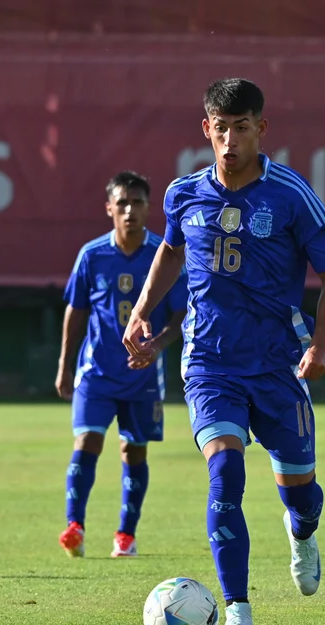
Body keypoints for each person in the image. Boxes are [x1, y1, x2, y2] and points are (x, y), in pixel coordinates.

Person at [122, 78, 325, 625]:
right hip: (210, 365)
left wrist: (319, 346)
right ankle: (238, 611)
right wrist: (143, 311)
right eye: (219, 128)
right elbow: (171, 252)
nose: (229, 140)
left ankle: (302, 532)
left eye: (241, 128)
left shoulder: (292, 195)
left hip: (278, 366)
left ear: (260, 129)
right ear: (206, 129)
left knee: (300, 492)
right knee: (225, 472)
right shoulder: (183, 194)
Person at [55, 171, 187, 560]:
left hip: (141, 374)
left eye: (138, 203)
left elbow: (181, 312)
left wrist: (159, 345)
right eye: (122, 203)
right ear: (109, 208)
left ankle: (125, 535)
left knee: (134, 452)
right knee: (87, 441)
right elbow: (75, 312)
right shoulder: (92, 255)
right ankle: (74, 527)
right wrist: (64, 366)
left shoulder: (163, 256)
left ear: (149, 209)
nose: (130, 210)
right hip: (96, 372)